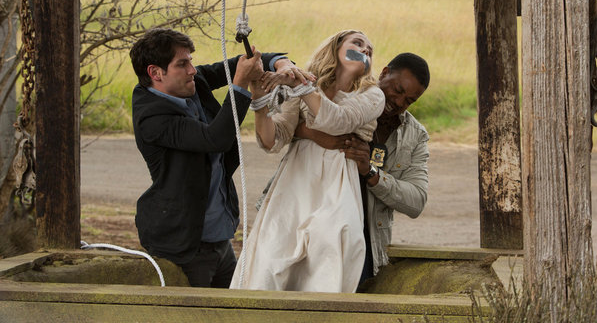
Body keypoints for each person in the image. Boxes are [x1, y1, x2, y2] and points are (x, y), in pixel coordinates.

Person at [129, 28, 309, 288]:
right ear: (155, 73)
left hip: (219, 238)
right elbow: (215, 139)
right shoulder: (152, 118)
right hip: (185, 242)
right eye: (183, 64)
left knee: (233, 309)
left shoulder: (192, 81)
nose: (192, 69)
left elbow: (242, 61)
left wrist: (281, 63)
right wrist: (240, 85)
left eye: (191, 60)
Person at [230, 29, 385, 293]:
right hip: (297, 179)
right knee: (272, 255)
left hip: (337, 182)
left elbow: (338, 121)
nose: (366, 50)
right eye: (357, 43)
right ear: (336, 48)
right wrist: (259, 97)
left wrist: (298, 87)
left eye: (370, 49)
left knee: (336, 241)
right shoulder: (304, 86)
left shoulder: (372, 95)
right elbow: (273, 140)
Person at [296, 52, 430, 286]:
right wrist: (310, 133)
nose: (399, 102)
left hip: (363, 245)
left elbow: (416, 201)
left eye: (409, 101)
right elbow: (279, 132)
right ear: (384, 73)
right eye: (397, 90)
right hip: (305, 226)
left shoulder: (415, 135)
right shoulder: (342, 100)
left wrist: (371, 173)